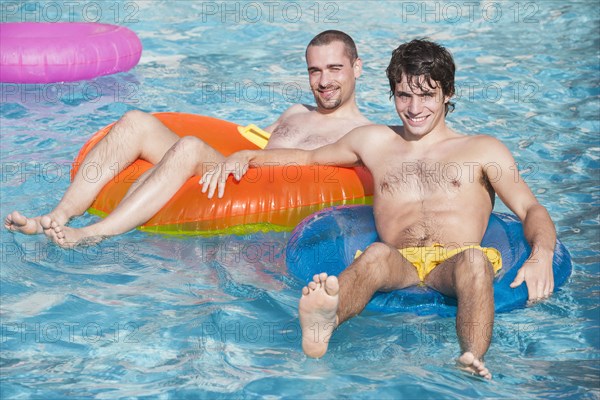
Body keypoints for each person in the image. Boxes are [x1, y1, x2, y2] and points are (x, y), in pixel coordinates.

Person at [201, 39, 557, 379]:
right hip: (398, 260)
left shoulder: (484, 149)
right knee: (373, 255)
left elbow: (530, 209)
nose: (415, 109)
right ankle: (325, 319)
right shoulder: (373, 141)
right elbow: (308, 158)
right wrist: (248, 155)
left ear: (448, 94)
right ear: (393, 94)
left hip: (456, 260)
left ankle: (471, 357)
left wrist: (541, 254)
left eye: (427, 95)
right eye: (404, 95)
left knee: (475, 263)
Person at [5, 30, 371, 247]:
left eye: (335, 69)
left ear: (356, 67)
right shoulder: (295, 112)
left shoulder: (360, 134)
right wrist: (240, 152)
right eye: (315, 70)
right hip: (234, 172)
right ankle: (55, 216)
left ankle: (95, 233)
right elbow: (246, 140)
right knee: (135, 121)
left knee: (190, 147)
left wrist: (249, 157)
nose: (324, 81)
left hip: (255, 185)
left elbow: (312, 162)